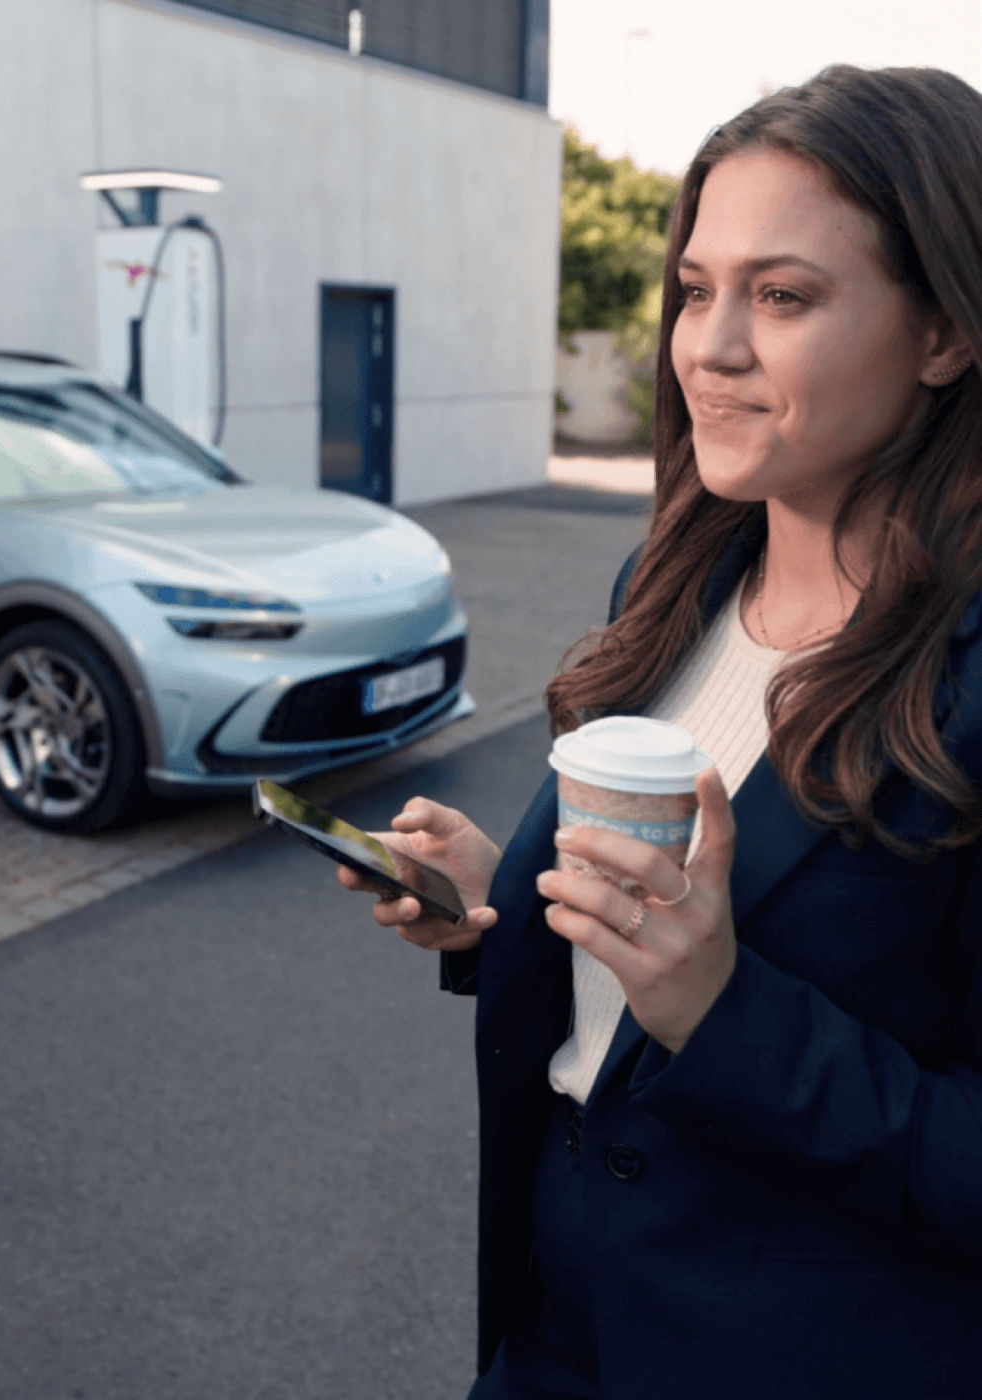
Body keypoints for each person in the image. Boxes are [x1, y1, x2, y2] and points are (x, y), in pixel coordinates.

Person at [339, 64, 982, 1398]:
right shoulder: (670, 585)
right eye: (696, 288)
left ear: (943, 332)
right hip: (551, 1322)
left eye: (783, 295)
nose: (709, 345)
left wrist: (726, 1012)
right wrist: (497, 909)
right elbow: (626, 982)